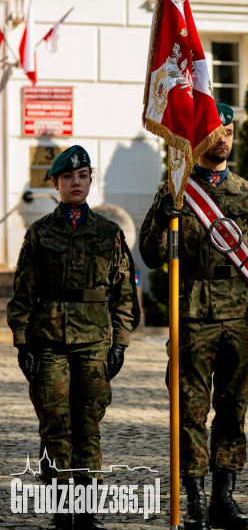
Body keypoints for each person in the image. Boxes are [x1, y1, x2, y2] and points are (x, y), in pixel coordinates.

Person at [139, 103, 248, 530]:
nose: (224, 139)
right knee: (189, 411)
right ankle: (195, 501)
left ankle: (224, 498)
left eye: (230, 132)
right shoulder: (175, 189)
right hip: (192, 314)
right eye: (217, 131)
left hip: (240, 313)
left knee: (233, 410)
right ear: (200, 137)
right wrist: (162, 223)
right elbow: (150, 254)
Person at [7, 145, 141, 530]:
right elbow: (23, 293)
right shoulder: (40, 233)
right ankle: (61, 509)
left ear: (90, 181)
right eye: (68, 177)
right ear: (56, 184)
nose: (76, 183)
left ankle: (85, 509)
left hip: (95, 344)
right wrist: (21, 342)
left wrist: (120, 342)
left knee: (88, 425)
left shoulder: (109, 232)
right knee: (54, 425)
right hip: (49, 343)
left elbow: (123, 293)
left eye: (82, 176)